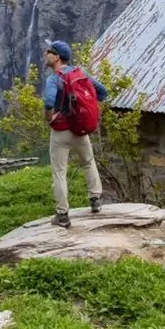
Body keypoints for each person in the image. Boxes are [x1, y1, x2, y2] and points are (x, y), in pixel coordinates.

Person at [42, 41, 108, 228]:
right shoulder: (80, 74)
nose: (46, 54)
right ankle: (95, 200)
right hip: (80, 129)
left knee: (59, 172)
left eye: (49, 51)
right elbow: (102, 92)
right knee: (88, 162)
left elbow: (49, 101)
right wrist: (88, 111)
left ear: (57, 57)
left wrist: (50, 117)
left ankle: (62, 215)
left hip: (61, 132)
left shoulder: (54, 78)